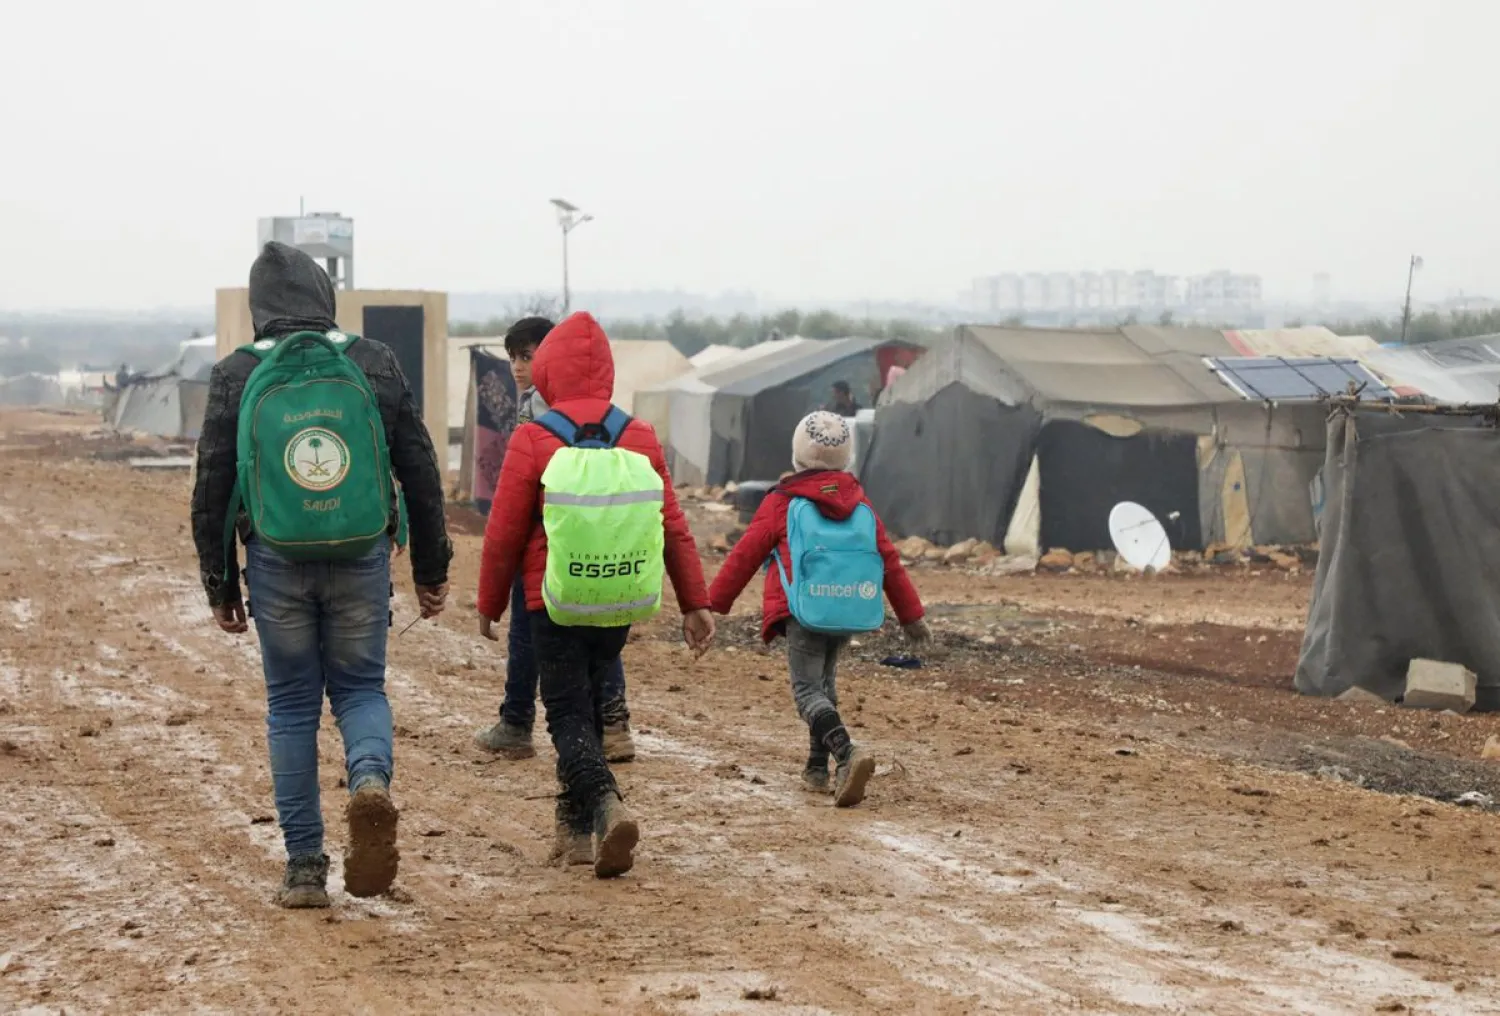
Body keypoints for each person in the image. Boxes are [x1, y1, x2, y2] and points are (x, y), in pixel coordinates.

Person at [190, 241, 452, 908]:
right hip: (362, 553)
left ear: (260, 309)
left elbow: (213, 487)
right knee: (361, 688)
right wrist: (430, 568)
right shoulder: (372, 362)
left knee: (291, 707)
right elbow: (420, 468)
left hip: (275, 559)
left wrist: (220, 584)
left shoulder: (234, 375)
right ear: (322, 297)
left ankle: (306, 869)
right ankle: (368, 781)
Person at [477, 311, 714, 878]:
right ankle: (575, 832)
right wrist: (694, 602)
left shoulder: (533, 437)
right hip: (619, 598)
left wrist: (489, 603)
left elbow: (505, 529)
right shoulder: (638, 435)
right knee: (585, 700)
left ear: (551, 370)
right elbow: (672, 524)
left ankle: (604, 803)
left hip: (552, 601)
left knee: (565, 714)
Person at [707, 410, 928, 806]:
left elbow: (745, 555)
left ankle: (846, 752)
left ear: (796, 455)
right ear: (845, 458)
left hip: (802, 611)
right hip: (846, 608)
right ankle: (815, 767)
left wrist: (711, 605)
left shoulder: (781, 502)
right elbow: (888, 559)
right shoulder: (861, 504)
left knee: (807, 691)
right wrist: (911, 617)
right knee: (825, 686)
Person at [474, 316, 638, 764]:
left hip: (544, 540)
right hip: (596, 538)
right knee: (603, 625)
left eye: (527, 356)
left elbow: (519, 498)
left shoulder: (543, 410)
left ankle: (519, 720)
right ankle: (613, 722)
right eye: (513, 357)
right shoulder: (606, 417)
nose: (518, 366)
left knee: (532, 637)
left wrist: (490, 595)